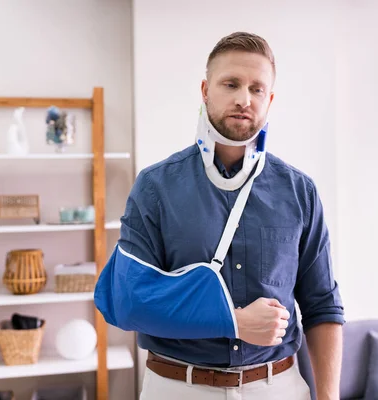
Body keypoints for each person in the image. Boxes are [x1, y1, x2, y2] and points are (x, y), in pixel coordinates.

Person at [94, 31, 345, 400]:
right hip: (178, 387)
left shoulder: (299, 191)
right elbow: (129, 302)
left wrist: (328, 395)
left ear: (269, 99)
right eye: (231, 84)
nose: (244, 99)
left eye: (257, 89)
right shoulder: (155, 187)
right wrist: (234, 321)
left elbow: (322, 303)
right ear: (205, 90)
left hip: (277, 387)